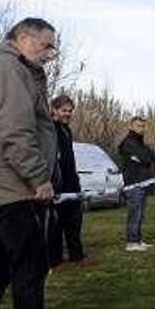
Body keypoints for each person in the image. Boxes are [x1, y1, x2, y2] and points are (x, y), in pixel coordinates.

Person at [0, 17, 88, 309]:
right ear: (22, 37)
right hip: (13, 188)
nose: (51, 52)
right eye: (45, 44)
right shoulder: (8, 69)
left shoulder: (8, 69)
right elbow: (16, 133)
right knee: (30, 267)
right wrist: (39, 178)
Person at [47, 95, 93, 269]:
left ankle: (77, 255)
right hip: (57, 183)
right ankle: (55, 259)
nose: (67, 113)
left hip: (72, 182)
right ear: (54, 109)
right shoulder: (50, 129)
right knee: (56, 223)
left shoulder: (67, 130)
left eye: (70, 110)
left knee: (75, 220)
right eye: (63, 110)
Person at [118, 116, 155, 252]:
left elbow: (151, 157)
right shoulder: (128, 143)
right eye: (138, 126)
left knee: (141, 214)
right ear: (131, 126)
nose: (141, 129)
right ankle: (131, 241)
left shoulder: (141, 143)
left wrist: (144, 157)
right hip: (133, 183)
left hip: (143, 181)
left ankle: (138, 239)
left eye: (143, 126)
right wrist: (144, 158)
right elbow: (146, 158)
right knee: (135, 213)